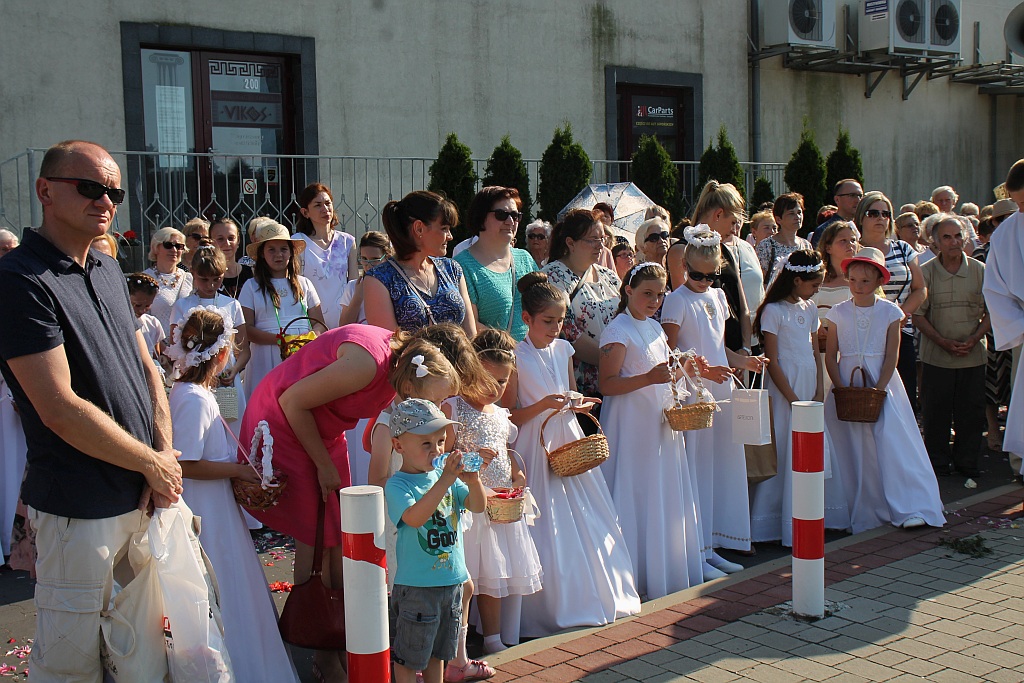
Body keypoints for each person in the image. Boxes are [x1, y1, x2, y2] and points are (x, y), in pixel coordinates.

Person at [0, 140, 188, 681]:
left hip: (138, 495)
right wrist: (152, 464)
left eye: (114, 191)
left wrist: (160, 456)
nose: (104, 200)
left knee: (142, 659)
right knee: (71, 662)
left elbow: (146, 369)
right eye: (88, 187)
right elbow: (58, 406)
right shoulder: (19, 280)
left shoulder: (107, 268)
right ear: (45, 191)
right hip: (77, 506)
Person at [240, 324, 424, 681]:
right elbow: (291, 401)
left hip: (323, 430)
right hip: (286, 423)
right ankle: (318, 649)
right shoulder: (368, 362)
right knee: (316, 538)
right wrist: (323, 466)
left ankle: (342, 639)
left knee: (341, 539)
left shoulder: (401, 370)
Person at [167, 308, 299, 683]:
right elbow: (187, 463)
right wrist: (241, 471)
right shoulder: (194, 399)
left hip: (216, 504)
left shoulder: (192, 392)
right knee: (224, 583)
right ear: (222, 354)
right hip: (206, 509)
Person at [511, 272, 640, 635]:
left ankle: (594, 592)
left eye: (561, 320)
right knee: (546, 522)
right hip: (534, 444)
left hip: (568, 439)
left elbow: (568, 391)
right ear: (527, 320)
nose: (556, 328)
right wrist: (543, 406)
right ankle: (545, 605)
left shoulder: (564, 349)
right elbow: (512, 415)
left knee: (591, 516)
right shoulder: (516, 356)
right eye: (548, 321)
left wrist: (579, 404)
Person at [661, 230, 765, 577]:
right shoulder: (676, 300)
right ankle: (697, 548)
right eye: (696, 275)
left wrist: (743, 361)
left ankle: (716, 541)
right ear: (684, 266)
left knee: (722, 465)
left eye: (710, 275)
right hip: (694, 394)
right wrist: (705, 369)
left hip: (721, 390)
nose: (703, 281)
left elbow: (720, 348)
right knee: (698, 469)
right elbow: (672, 355)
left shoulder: (719, 297)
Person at [598, 260, 705, 596]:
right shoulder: (617, 330)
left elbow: (665, 373)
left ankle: (663, 568)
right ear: (628, 290)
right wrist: (646, 378)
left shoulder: (656, 329)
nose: (654, 301)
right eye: (647, 293)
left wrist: (684, 366)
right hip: (629, 423)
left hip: (658, 421)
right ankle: (633, 573)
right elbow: (606, 384)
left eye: (659, 295)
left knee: (659, 488)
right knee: (635, 488)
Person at [824, 247, 945, 533]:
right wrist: (841, 387)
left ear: (879, 281)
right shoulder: (838, 312)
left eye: (865, 281)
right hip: (848, 383)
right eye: (852, 280)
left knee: (891, 440)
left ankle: (908, 503)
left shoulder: (891, 312)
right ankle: (852, 506)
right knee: (850, 444)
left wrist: (879, 388)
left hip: (882, 381)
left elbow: (892, 355)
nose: (857, 287)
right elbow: (831, 355)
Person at [444, 329, 543, 653]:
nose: (495, 389)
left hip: (500, 507)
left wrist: (517, 473)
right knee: (468, 575)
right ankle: (457, 641)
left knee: (495, 574)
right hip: (470, 507)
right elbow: (441, 459)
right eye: (489, 379)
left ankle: (492, 637)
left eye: (502, 382)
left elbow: (507, 452)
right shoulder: (454, 409)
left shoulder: (500, 414)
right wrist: (472, 460)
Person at [749, 249, 850, 546]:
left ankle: (816, 512)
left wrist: (819, 387)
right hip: (785, 386)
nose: (816, 290)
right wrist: (792, 397)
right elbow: (774, 359)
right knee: (784, 444)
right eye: (813, 285)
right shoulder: (773, 311)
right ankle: (773, 519)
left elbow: (812, 350)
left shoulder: (808, 308)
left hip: (807, 380)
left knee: (813, 444)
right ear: (796, 281)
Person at [385, 399, 488, 683]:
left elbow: (478, 506)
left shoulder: (450, 480)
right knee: (409, 655)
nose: (437, 450)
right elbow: (414, 518)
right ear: (398, 446)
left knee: (437, 654)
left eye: (440, 441)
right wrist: (445, 480)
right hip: (418, 586)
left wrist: (474, 479)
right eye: (426, 444)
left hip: (450, 581)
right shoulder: (399, 484)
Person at [914, 215, 989, 480]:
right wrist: (942, 341)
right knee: (936, 413)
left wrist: (976, 336)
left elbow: (992, 311)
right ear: (935, 242)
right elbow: (919, 315)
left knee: (971, 412)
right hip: (937, 357)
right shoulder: (927, 272)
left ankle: (967, 462)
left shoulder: (980, 270)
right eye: (946, 237)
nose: (954, 241)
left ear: (966, 238)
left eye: (958, 235)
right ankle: (937, 464)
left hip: (973, 354)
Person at [539, 209, 622, 406]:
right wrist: (612, 362)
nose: (600, 245)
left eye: (602, 238)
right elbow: (567, 333)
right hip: (579, 385)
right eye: (593, 239)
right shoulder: (552, 277)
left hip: (616, 381)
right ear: (570, 242)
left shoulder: (609, 276)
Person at [366, 190, 476, 336]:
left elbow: (471, 335)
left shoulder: (452, 269)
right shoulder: (378, 279)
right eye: (444, 229)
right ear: (419, 228)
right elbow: (389, 345)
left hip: (461, 358)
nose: (450, 237)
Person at [856, 191, 927, 409]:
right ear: (861, 217)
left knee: (903, 398)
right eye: (873, 212)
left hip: (900, 331)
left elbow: (920, 288)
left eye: (885, 214)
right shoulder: (853, 249)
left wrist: (902, 314)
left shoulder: (903, 249)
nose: (880, 218)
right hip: (862, 332)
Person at [238, 220, 323, 399]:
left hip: (300, 353)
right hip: (264, 355)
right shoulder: (251, 286)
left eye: (283, 249)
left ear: (291, 253)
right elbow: (247, 329)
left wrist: (304, 340)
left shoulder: (305, 284)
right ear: (262, 254)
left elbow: (319, 323)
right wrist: (280, 340)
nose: (278, 255)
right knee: (266, 402)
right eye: (272, 249)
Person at [170, 243, 249, 436]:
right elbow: (175, 347)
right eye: (204, 280)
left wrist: (234, 369)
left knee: (230, 428)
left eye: (217, 279)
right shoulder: (182, 305)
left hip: (225, 379)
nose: (211, 285)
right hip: (194, 377)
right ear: (193, 273)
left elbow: (244, 349)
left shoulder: (232, 304)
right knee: (198, 427)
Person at [455, 187, 539, 341]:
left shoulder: (525, 258)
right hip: (491, 358)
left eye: (515, 215)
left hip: (531, 358)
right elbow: (470, 325)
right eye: (501, 215)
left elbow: (542, 309)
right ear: (481, 217)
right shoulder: (462, 266)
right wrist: (511, 347)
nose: (510, 221)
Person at [984, 160, 1024, 477]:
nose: (1021, 209)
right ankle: (1022, 463)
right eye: (1018, 203)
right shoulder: (1007, 232)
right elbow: (995, 289)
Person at [682, 181, 754, 357]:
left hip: (736, 354)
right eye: (733, 223)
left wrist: (745, 348)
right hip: (706, 356)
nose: (734, 230)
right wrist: (731, 356)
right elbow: (689, 315)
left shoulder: (727, 251)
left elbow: (742, 307)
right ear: (718, 214)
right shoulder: (682, 249)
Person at [293, 183, 357, 329]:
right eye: (317, 205)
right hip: (311, 320)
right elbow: (296, 284)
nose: (325, 209)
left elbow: (353, 283)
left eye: (328, 203)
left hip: (342, 318)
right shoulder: (298, 241)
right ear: (305, 212)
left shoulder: (347, 241)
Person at [812, 221, 858, 384]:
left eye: (853, 240)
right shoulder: (815, 277)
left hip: (846, 352)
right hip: (815, 351)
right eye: (843, 241)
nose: (850, 245)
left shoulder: (863, 279)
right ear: (828, 247)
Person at [144, 226, 193, 336]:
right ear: (156, 247)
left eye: (179, 246)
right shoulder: (145, 279)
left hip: (186, 346)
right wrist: (163, 349)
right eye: (168, 245)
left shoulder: (189, 278)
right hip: (157, 346)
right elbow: (141, 318)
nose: (174, 250)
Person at [339, 230, 392, 326]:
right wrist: (358, 297)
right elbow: (343, 326)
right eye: (364, 259)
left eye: (375, 259)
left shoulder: (394, 286)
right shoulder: (353, 286)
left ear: (387, 257)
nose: (368, 265)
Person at [757, 193, 813, 284]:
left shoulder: (806, 245)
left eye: (799, 212)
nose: (797, 217)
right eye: (791, 213)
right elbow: (760, 279)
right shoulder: (767, 246)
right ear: (778, 219)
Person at [127, 272, 166, 371]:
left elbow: (155, 354)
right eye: (137, 305)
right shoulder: (118, 323)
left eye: (147, 306)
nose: (142, 310)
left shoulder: (152, 323)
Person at [810, 179, 864, 247]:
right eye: (852, 195)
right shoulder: (825, 230)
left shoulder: (865, 227)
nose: (858, 200)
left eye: (860, 195)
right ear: (837, 199)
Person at [210, 216, 252, 298]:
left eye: (231, 238)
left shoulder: (251, 274)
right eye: (220, 239)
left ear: (238, 241)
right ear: (211, 242)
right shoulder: (206, 277)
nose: (227, 243)